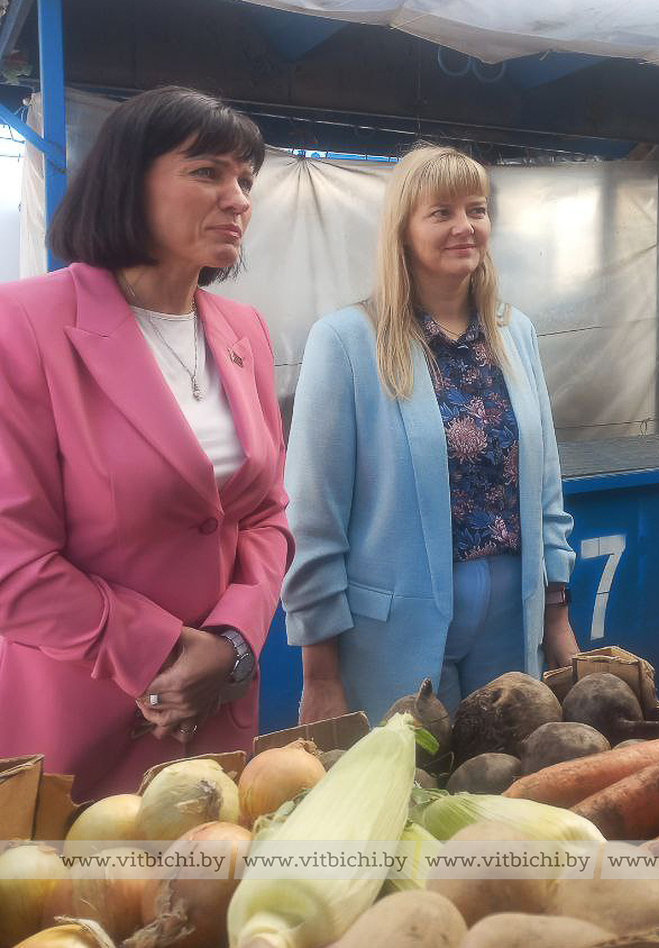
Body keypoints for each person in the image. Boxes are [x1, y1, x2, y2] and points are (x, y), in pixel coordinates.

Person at [0, 87, 294, 800]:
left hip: (216, 709)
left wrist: (231, 641)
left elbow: (265, 514)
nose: (237, 199)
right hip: (79, 715)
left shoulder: (245, 331)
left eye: (245, 179)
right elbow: (12, 560)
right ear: (126, 182)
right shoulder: (24, 326)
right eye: (207, 172)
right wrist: (164, 650)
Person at [283, 144, 576, 723]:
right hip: (392, 638)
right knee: (412, 773)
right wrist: (320, 675)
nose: (464, 226)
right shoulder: (346, 342)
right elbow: (313, 521)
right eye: (441, 212)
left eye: (476, 209)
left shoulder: (514, 333)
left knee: (504, 769)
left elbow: (546, 491)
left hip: (511, 626)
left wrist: (557, 617)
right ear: (403, 229)